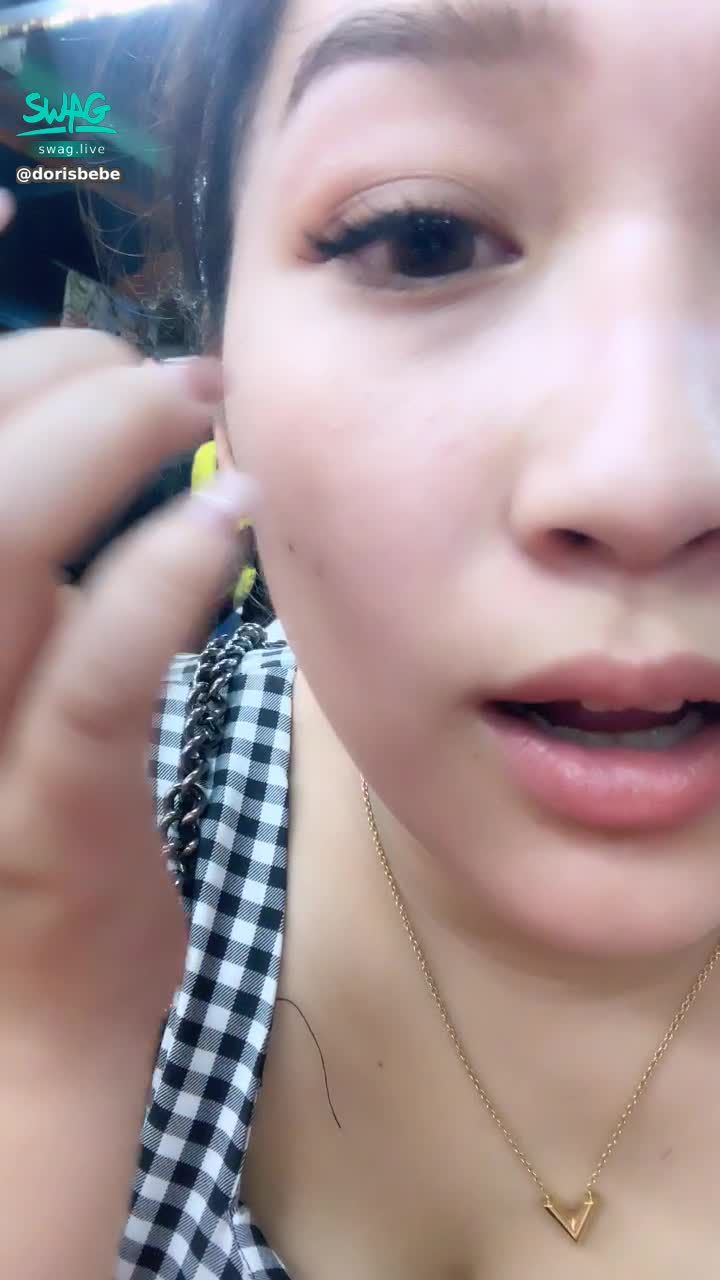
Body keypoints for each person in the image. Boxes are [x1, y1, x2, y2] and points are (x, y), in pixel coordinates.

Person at [4, 1, 720, 1276]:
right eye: (423, 235)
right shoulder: (62, 841)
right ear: (222, 358)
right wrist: (43, 1086)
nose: (647, 479)